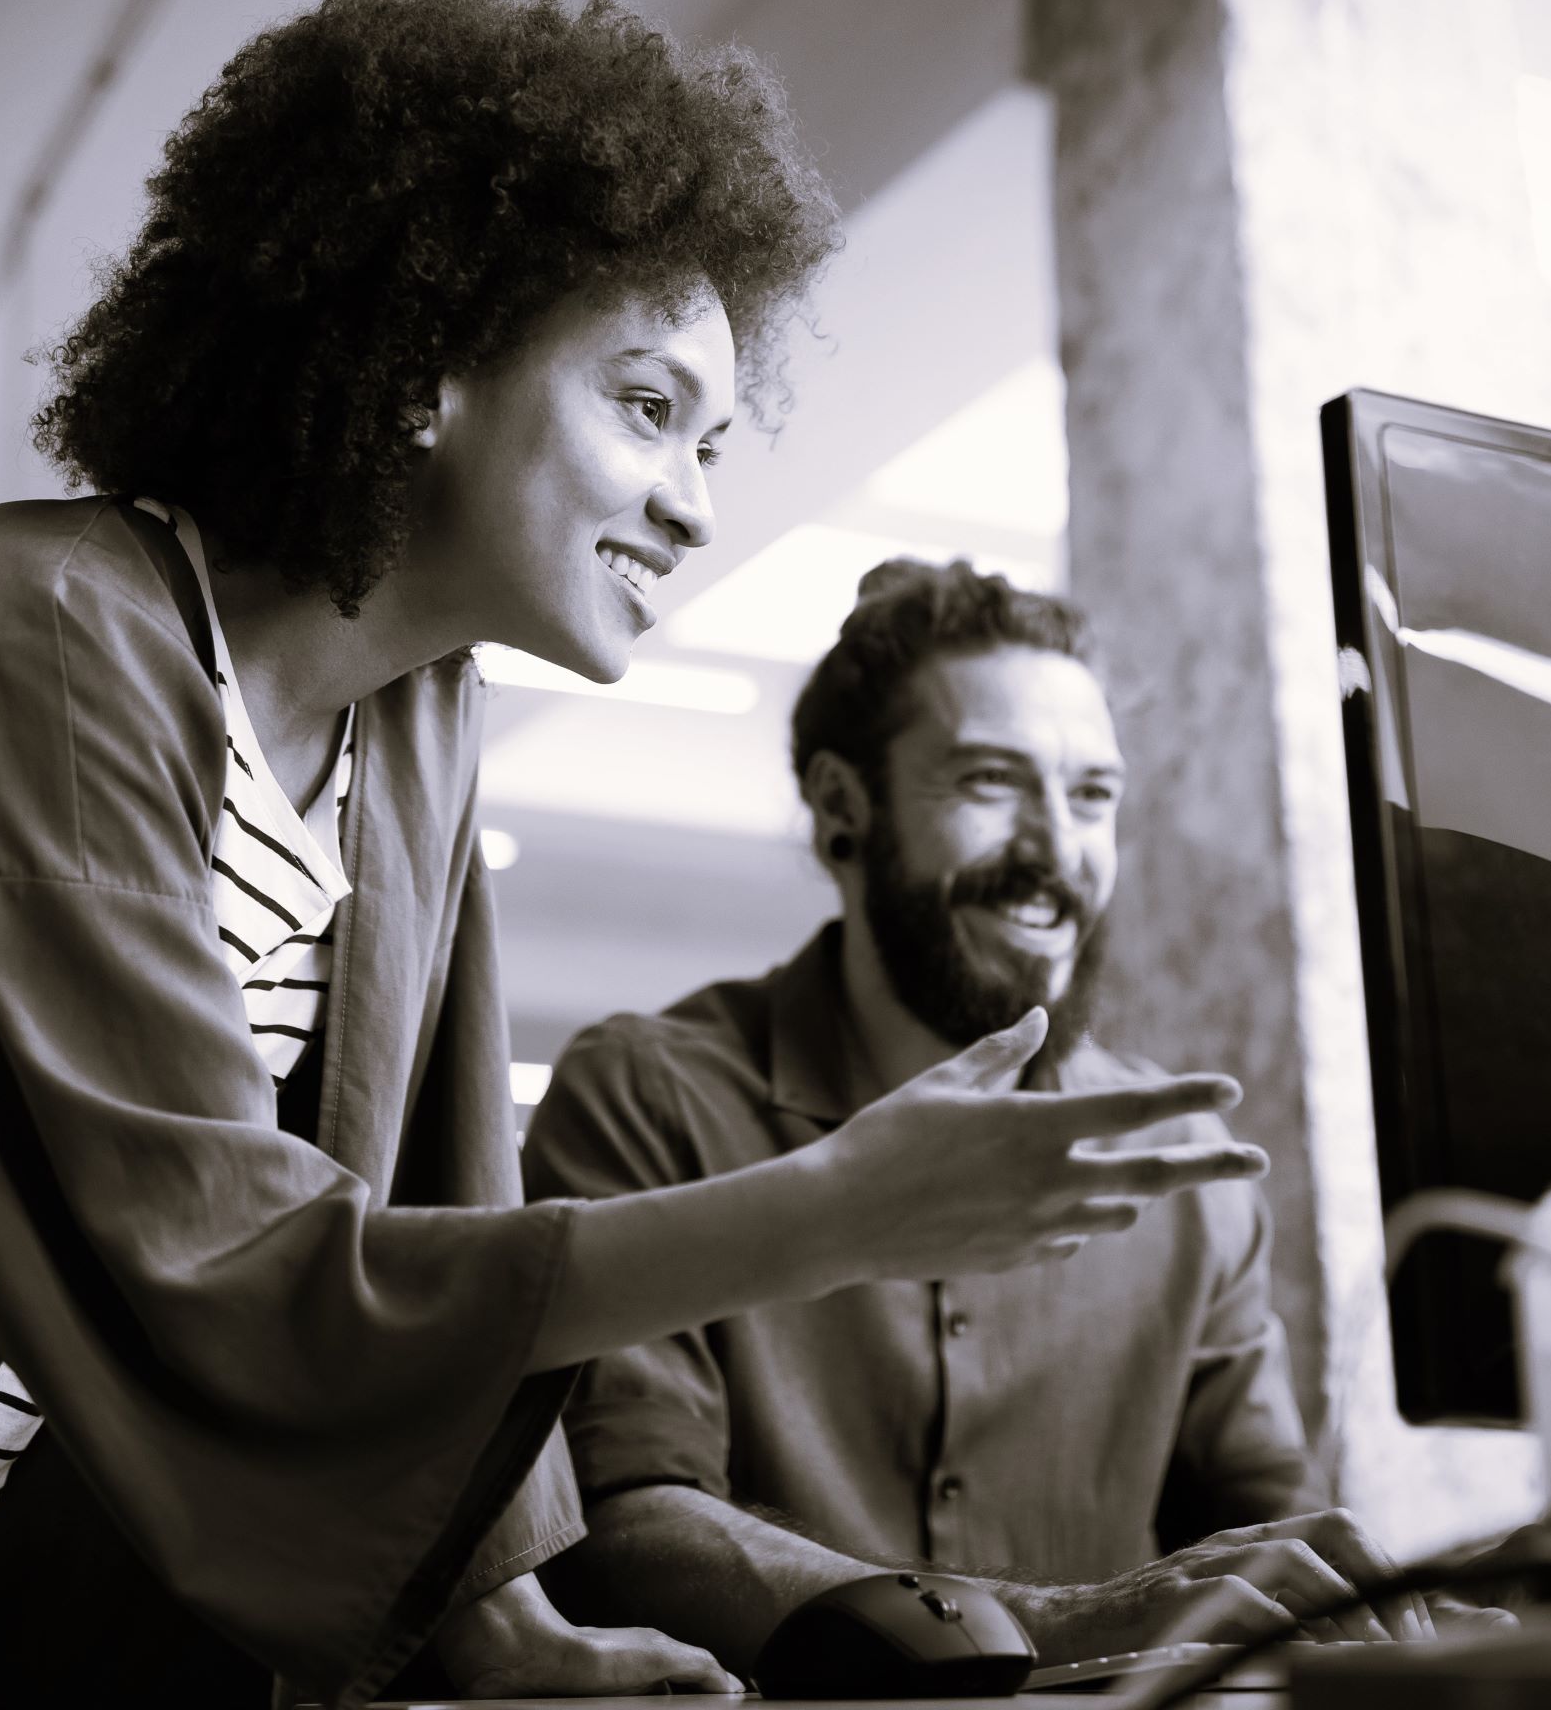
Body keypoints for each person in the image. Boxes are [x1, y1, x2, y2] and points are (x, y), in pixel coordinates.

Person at [0, 0, 1269, 1710]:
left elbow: (424, 1178)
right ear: (427, 357)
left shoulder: (414, 723)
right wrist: (834, 1206)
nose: (691, 506)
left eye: (713, 441)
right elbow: (227, 1261)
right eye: (650, 404)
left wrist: (502, 1627)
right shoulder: (28, 638)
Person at [527, 560, 1465, 1672]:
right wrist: (1053, 1621)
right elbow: (625, 1520)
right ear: (842, 807)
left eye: (1093, 794)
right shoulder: (650, 1097)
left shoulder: (1180, 1168)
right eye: (989, 780)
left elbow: (1265, 1530)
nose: (1058, 851)